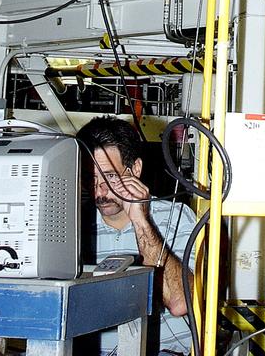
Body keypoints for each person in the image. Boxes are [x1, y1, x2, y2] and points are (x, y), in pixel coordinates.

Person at [77, 115, 196, 356]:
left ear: (136, 169)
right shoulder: (73, 226)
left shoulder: (176, 217)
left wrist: (141, 221)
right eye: (91, 178)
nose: (99, 191)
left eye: (110, 176)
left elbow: (180, 302)